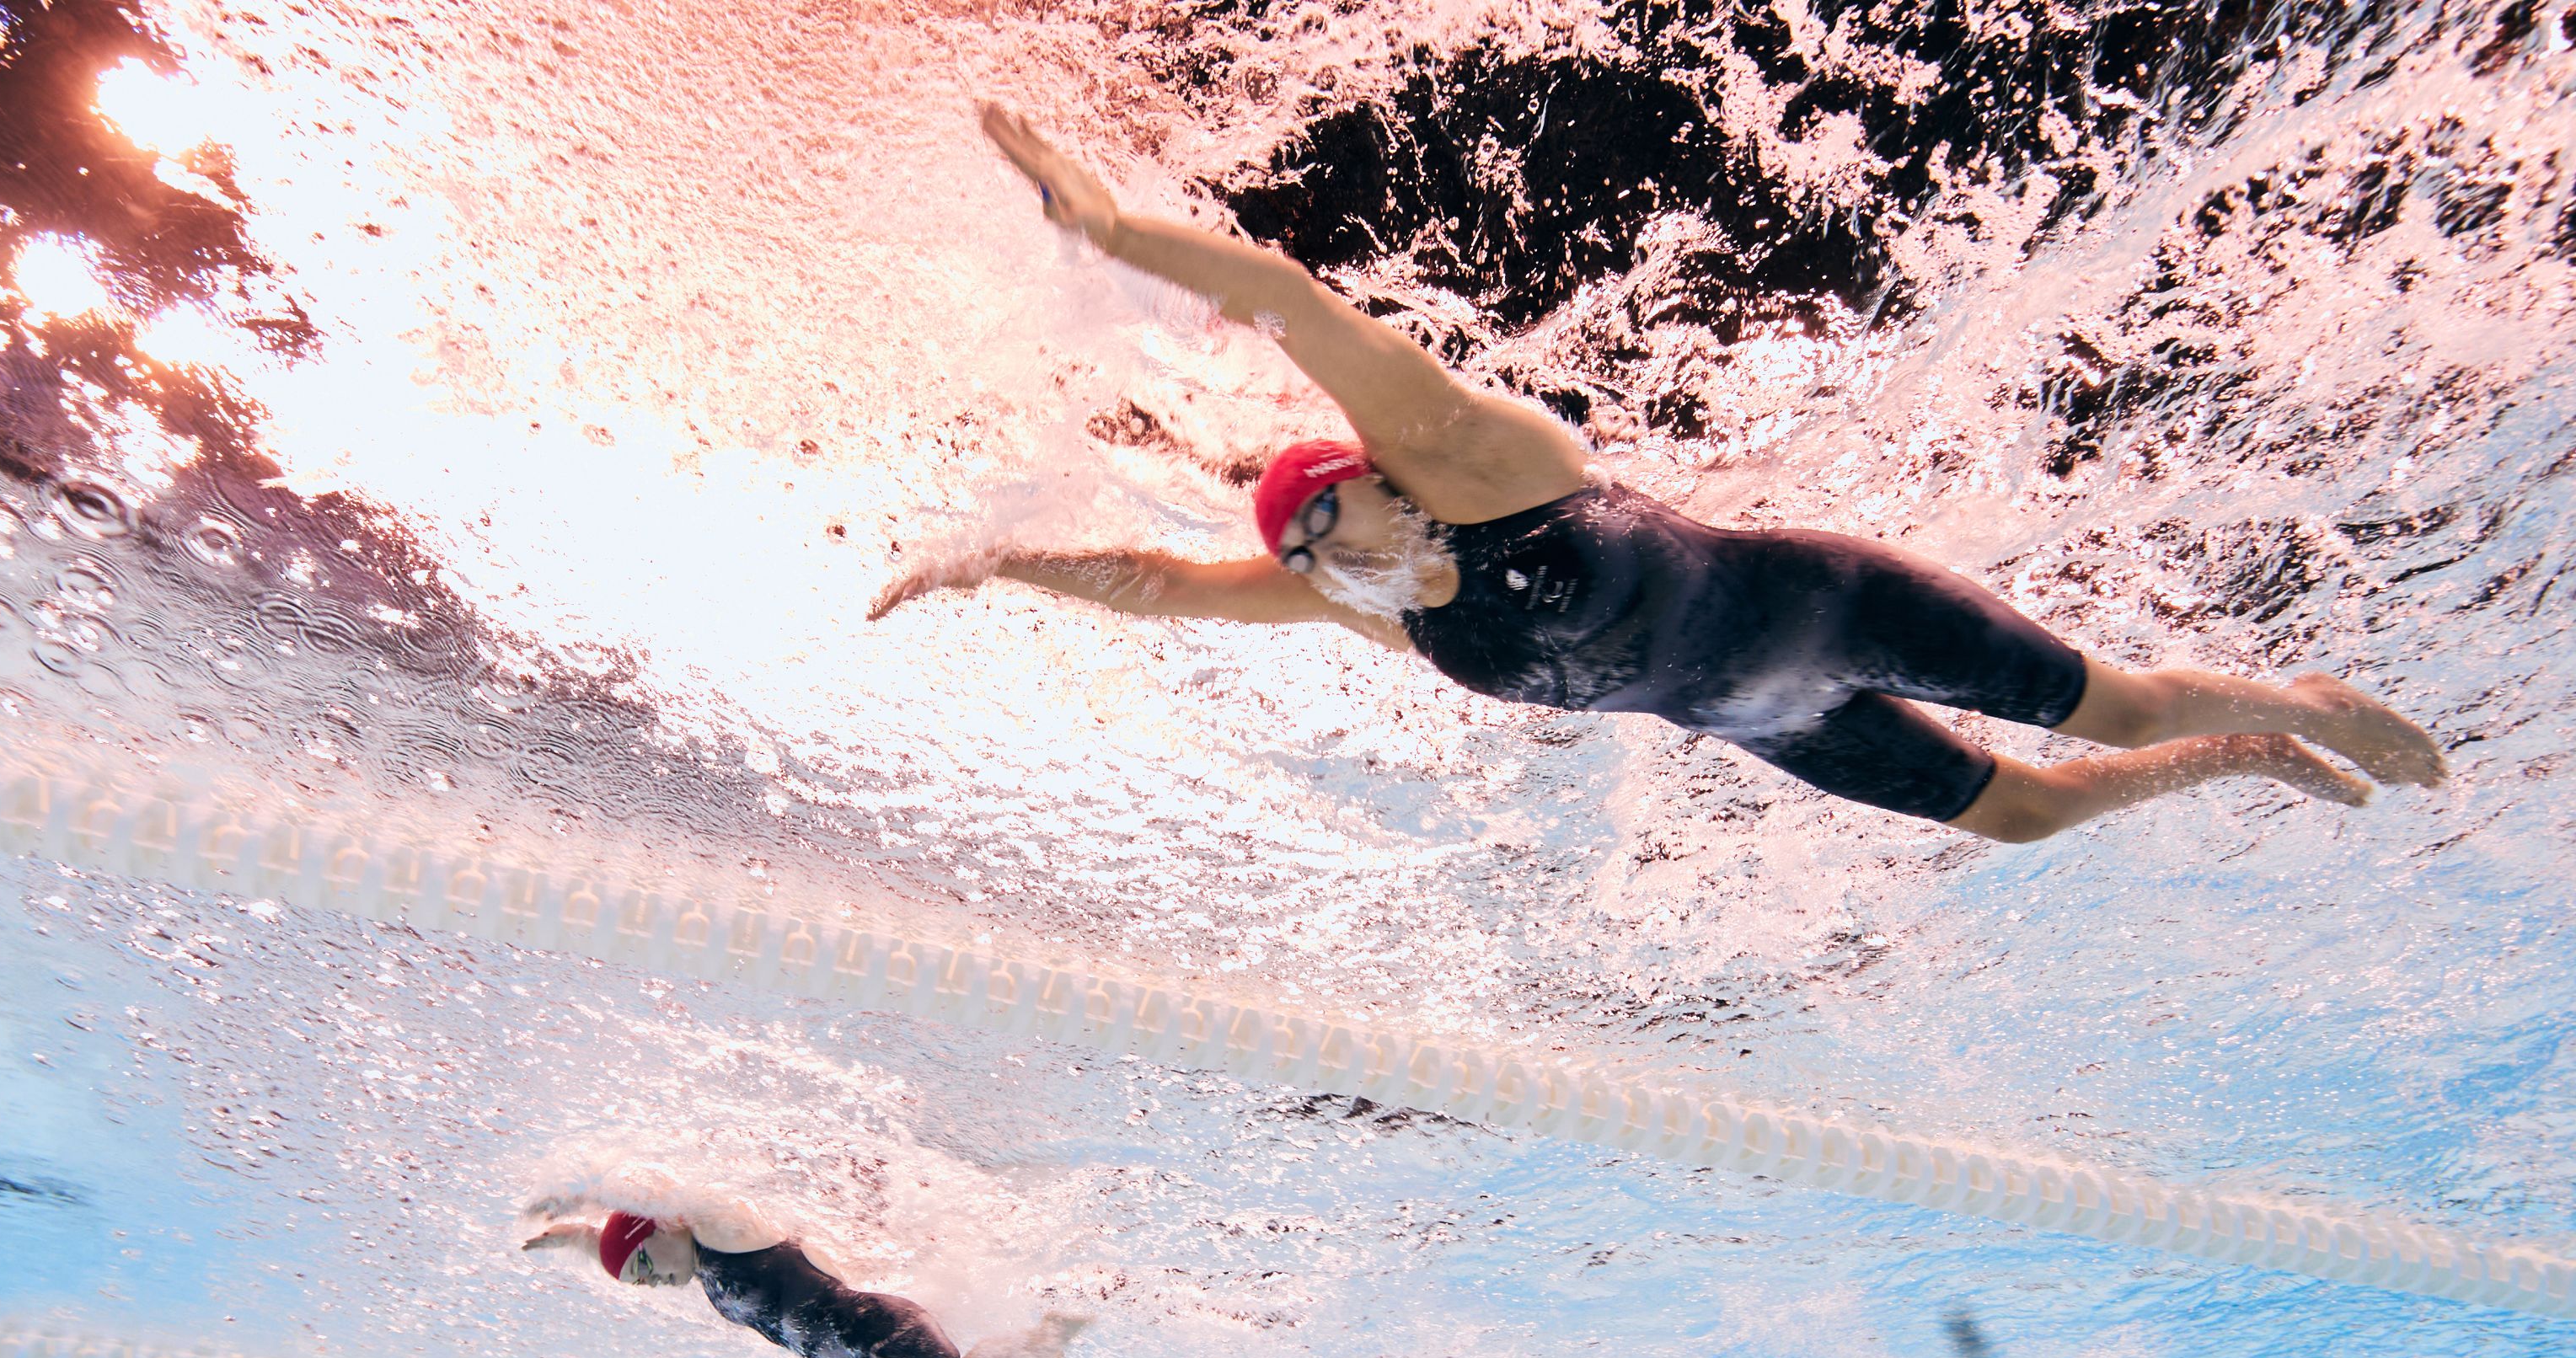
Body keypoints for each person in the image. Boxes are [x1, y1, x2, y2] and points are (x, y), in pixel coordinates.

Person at [870, 105, 2450, 844]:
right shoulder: (1381, 610)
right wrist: (992, 564)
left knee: (2119, 703)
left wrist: (1109, 230)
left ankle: (2288, 699)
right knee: (2026, 818)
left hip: (1822, 608)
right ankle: (2240, 764)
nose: (1323, 564)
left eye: (1326, 524)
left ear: (1366, 478)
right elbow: (1155, 589)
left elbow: (1289, 299)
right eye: (1306, 559)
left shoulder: (1473, 459)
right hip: (1766, 712)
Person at [522, 1182, 1085, 1358]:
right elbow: (629, 1245)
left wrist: (586, 1195)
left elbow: (664, 1196)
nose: (653, 1284)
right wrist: (579, 1239)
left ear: (660, 1225)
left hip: (869, 1331)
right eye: (639, 1284)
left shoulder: (726, 1232)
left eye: (645, 1268)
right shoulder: (699, 1273)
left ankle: (1050, 1331)